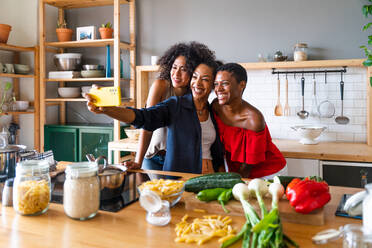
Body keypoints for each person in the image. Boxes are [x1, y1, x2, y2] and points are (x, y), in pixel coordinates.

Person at [85, 59, 224, 174]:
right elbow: (143, 117)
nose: (197, 83)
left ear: (213, 85)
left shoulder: (213, 111)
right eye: (195, 77)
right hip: (182, 182)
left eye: (205, 79)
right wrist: (108, 109)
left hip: (210, 180)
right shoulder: (175, 105)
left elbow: (217, 151)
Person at [212, 63, 287, 179]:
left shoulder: (254, 119)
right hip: (238, 172)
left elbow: (247, 166)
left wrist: (232, 183)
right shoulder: (216, 106)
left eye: (225, 83)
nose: (218, 89)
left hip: (269, 172)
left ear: (241, 85)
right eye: (216, 84)